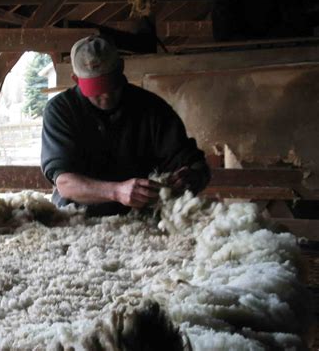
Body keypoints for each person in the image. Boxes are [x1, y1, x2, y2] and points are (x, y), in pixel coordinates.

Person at [41, 35, 210, 216]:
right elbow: (65, 183)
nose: (105, 95)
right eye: (96, 88)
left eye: (110, 84)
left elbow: (197, 166)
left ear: (121, 67)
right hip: (77, 218)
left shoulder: (153, 109)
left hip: (139, 219)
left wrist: (190, 177)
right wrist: (116, 191)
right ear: (76, 79)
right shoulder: (61, 111)